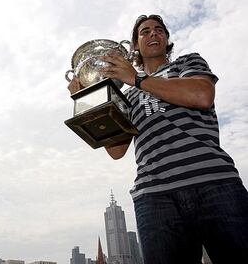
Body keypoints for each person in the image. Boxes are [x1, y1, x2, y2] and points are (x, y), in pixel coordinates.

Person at [67, 14, 248, 264]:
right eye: (145, 31)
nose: (153, 33)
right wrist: (88, 102)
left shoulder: (186, 64)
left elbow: (202, 95)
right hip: (153, 196)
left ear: (166, 39)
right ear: (134, 48)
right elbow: (116, 149)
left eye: (159, 30)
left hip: (215, 183)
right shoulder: (126, 94)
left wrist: (138, 80)